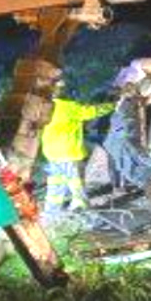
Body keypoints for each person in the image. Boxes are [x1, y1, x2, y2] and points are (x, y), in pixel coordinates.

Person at [40, 82, 115, 212]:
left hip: (51, 152)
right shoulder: (69, 107)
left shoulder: (44, 107)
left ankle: (51, 212)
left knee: (56, 183)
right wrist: (113, 105)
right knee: (76, 181)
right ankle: (80, 208)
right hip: (68, 152)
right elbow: (92, 112)